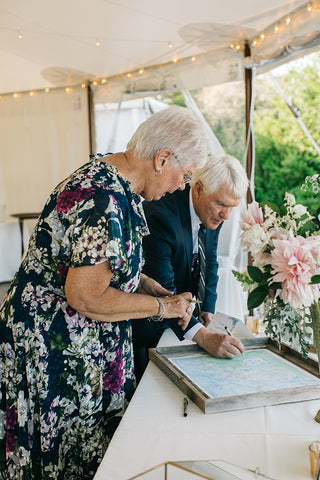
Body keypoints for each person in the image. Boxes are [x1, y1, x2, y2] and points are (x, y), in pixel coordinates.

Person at [0, 106, 209, 480]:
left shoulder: (117, 180)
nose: (182, 185)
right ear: (162, 159)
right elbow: (86, 296)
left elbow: (95, 262)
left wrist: (141, 282)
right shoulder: (101, 198)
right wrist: (163, 306)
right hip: (55, 353)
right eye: (186, 174)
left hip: (76, 347)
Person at [132, 154, 248, 381]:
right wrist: (203, 336)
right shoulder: (160, 215)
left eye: (232, 207)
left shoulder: (212, 212)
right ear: (198, 189)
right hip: (150, 329)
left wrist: (207, 310)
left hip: (185, 322)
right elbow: (164, 292)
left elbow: (210, 263)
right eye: (222, 204)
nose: (226, 215)